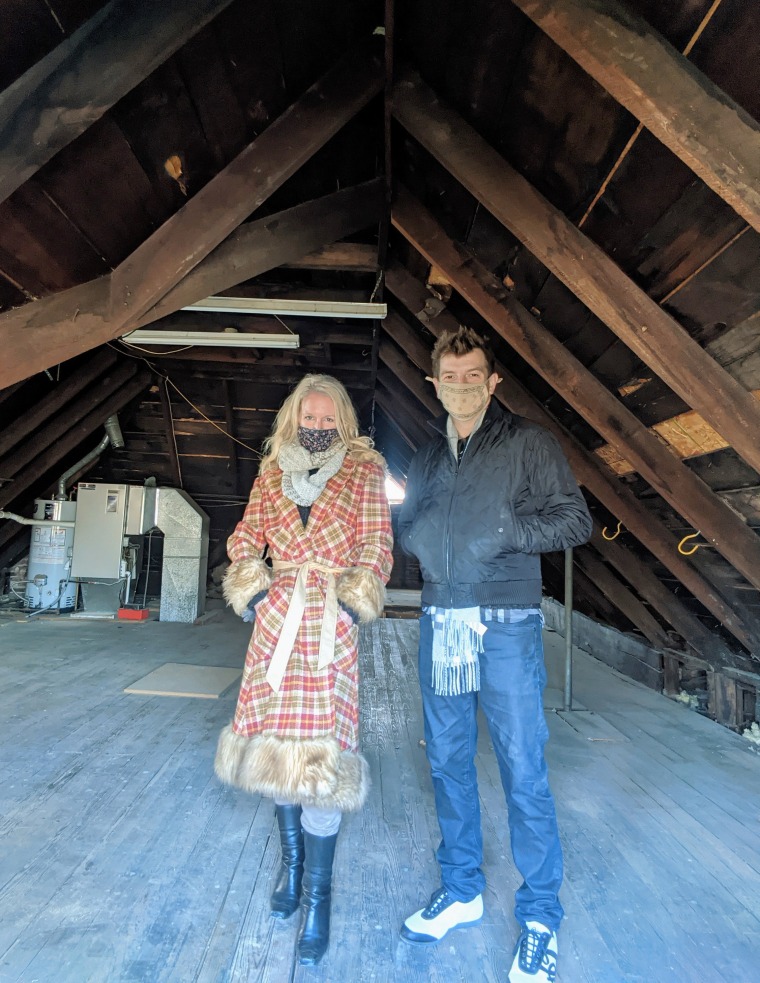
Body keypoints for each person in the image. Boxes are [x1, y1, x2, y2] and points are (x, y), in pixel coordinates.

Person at [397, 326, 592, 983]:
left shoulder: (529, 443)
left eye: (473, 375)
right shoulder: (426, 455)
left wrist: (511, 530)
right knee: (448, 758)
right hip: (444, 619)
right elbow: (409, 519)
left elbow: (575, 520)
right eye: (449, 377)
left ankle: (539, 917)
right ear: (435, 383)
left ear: (493, 381)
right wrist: (419, 540)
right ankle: (462, 889)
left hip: (506, 623)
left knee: (521, 764)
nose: (461, 387)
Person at [215, 374, 393, 967]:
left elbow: (376, 544)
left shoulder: (365, 472)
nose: (318, 428)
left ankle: (319, 895)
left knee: (323, 755)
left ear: (342, 421)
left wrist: (349, 604)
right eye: (309, 419)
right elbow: (245, 537)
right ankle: (292, 868)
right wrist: (255, 593)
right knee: (276, 747)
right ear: (295, 419)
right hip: (275, 627)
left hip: (328, 629)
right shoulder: (271, 474)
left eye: (328, 420)